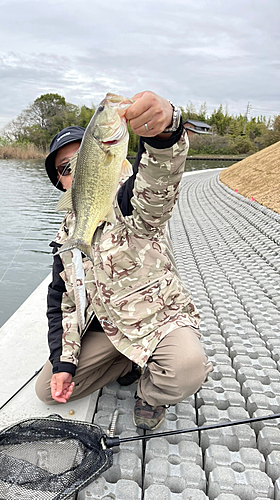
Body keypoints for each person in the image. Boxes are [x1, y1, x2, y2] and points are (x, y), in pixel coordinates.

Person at [35, 91, 213, 431]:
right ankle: (127, 362)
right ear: (61, 182)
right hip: (110, 327)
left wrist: (165, 133)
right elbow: (63, 304)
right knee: (48, 390)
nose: (73, 171)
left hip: (157, 321)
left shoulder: (130, 201)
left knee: (185, 370)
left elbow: (158, 184)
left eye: (79, 161)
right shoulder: (68, 237)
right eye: (64, 169)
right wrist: (64, 364)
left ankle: (150, 393)